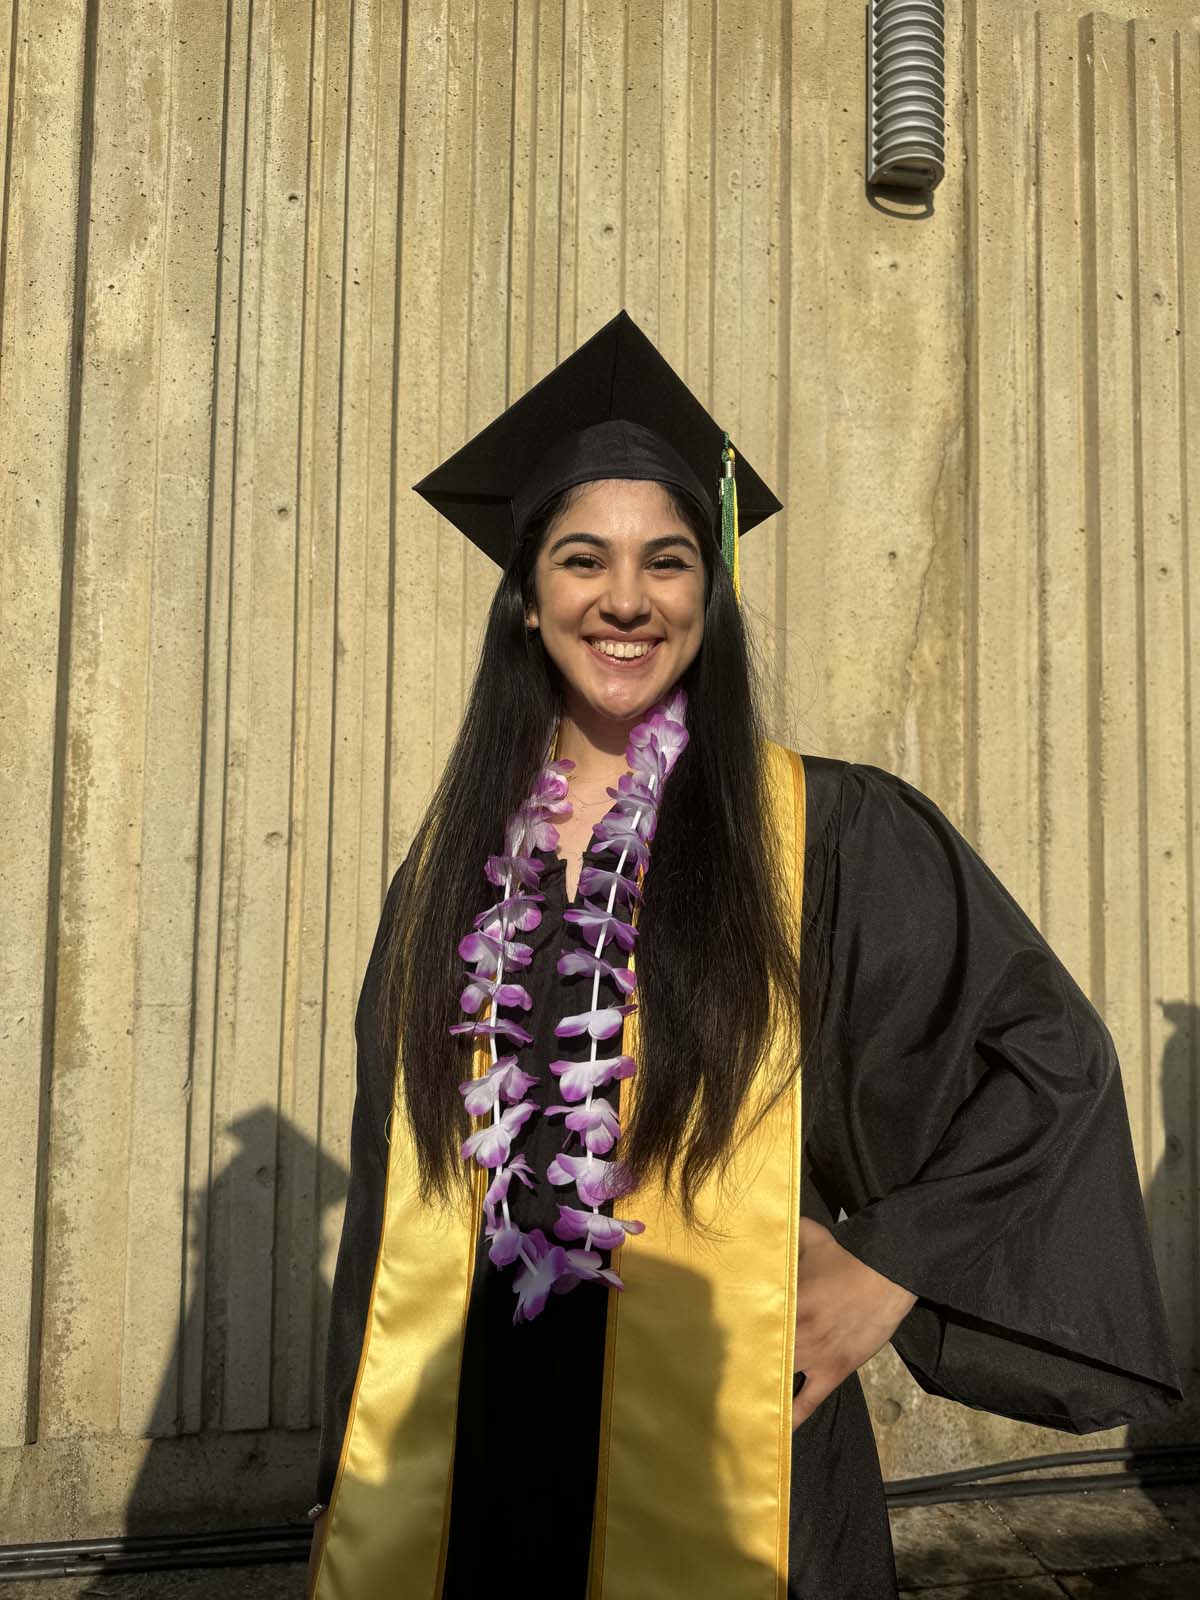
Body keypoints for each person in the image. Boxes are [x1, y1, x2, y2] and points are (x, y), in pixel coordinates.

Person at [305, 311, 1182, 1600]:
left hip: (732, 1447)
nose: (625, 598)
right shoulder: (448, 874)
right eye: (581, 559)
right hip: (469, 1451)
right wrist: (345, 1465)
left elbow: (1046, 1055)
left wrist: (891, 1261)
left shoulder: (821, 833)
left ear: (708, 593)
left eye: (667, 560)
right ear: (527, 599)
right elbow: (401, 1190)